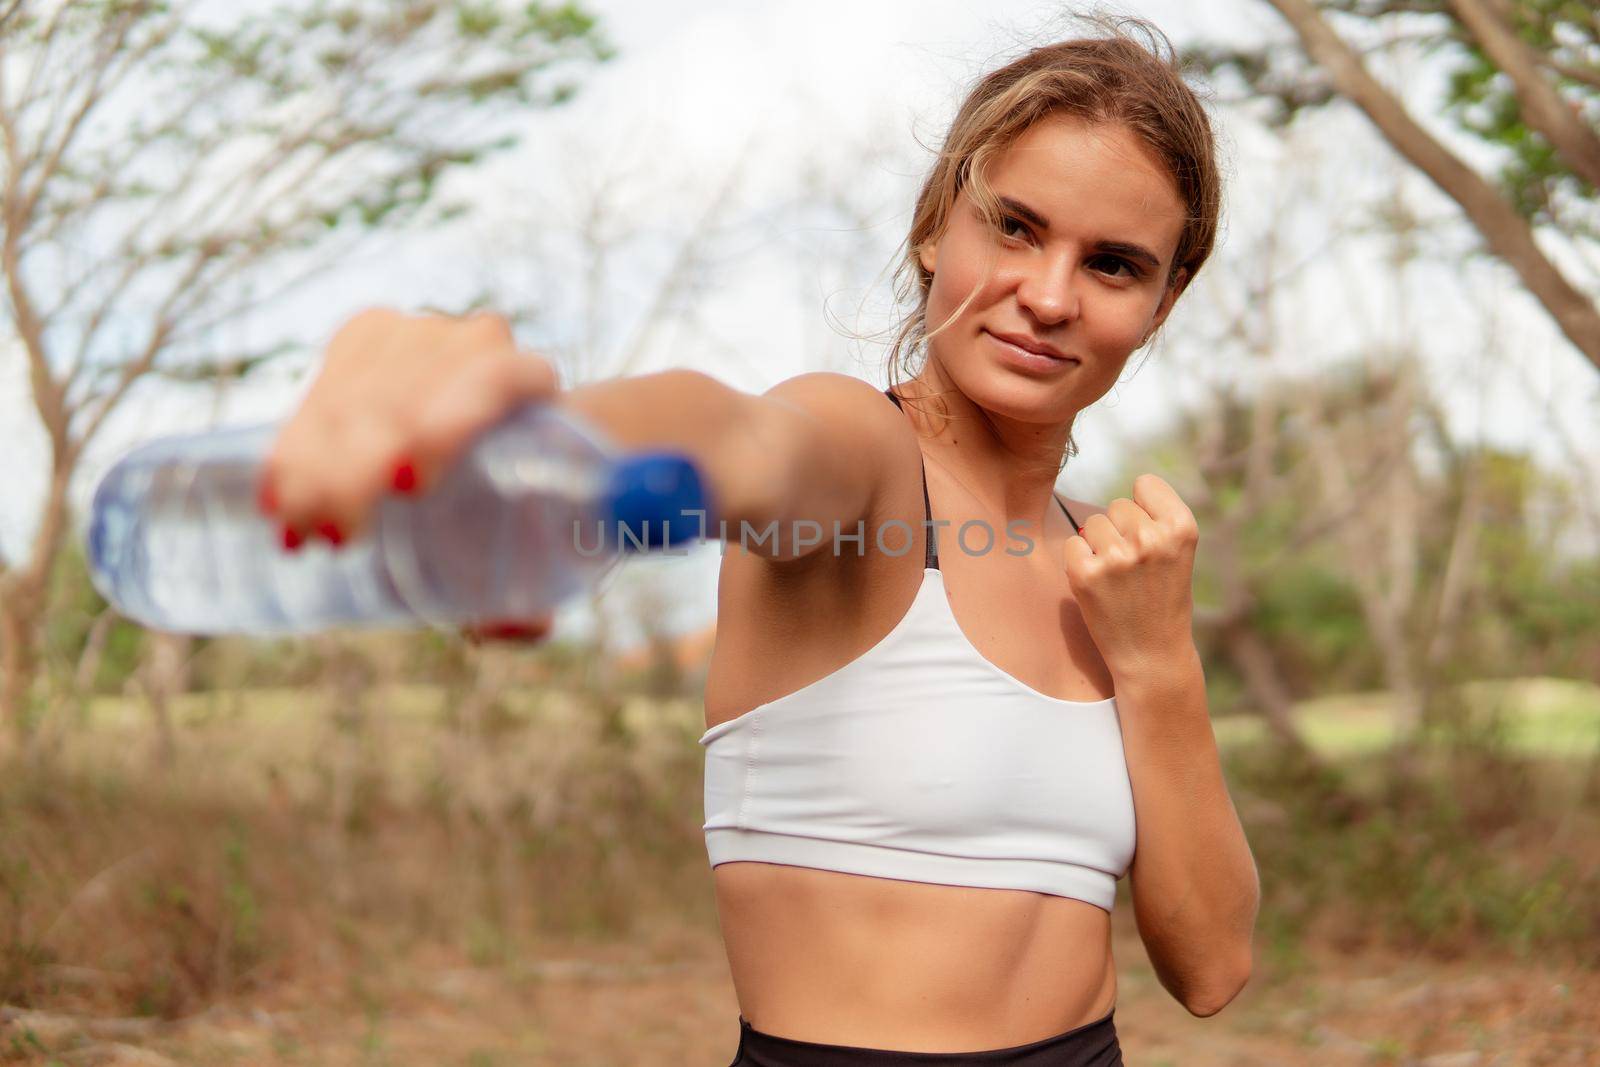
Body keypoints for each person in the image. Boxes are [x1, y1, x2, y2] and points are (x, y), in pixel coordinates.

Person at [260, 16, 1259, 1065]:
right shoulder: (863, 463)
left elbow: (1211, 966)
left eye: (1110, 264)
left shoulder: (1111, 562)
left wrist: (1156, 659)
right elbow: (735, 439)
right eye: (1013, 227)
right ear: (935, 227)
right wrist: (526, 433)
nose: (1048, 296)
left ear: (1160, 301)